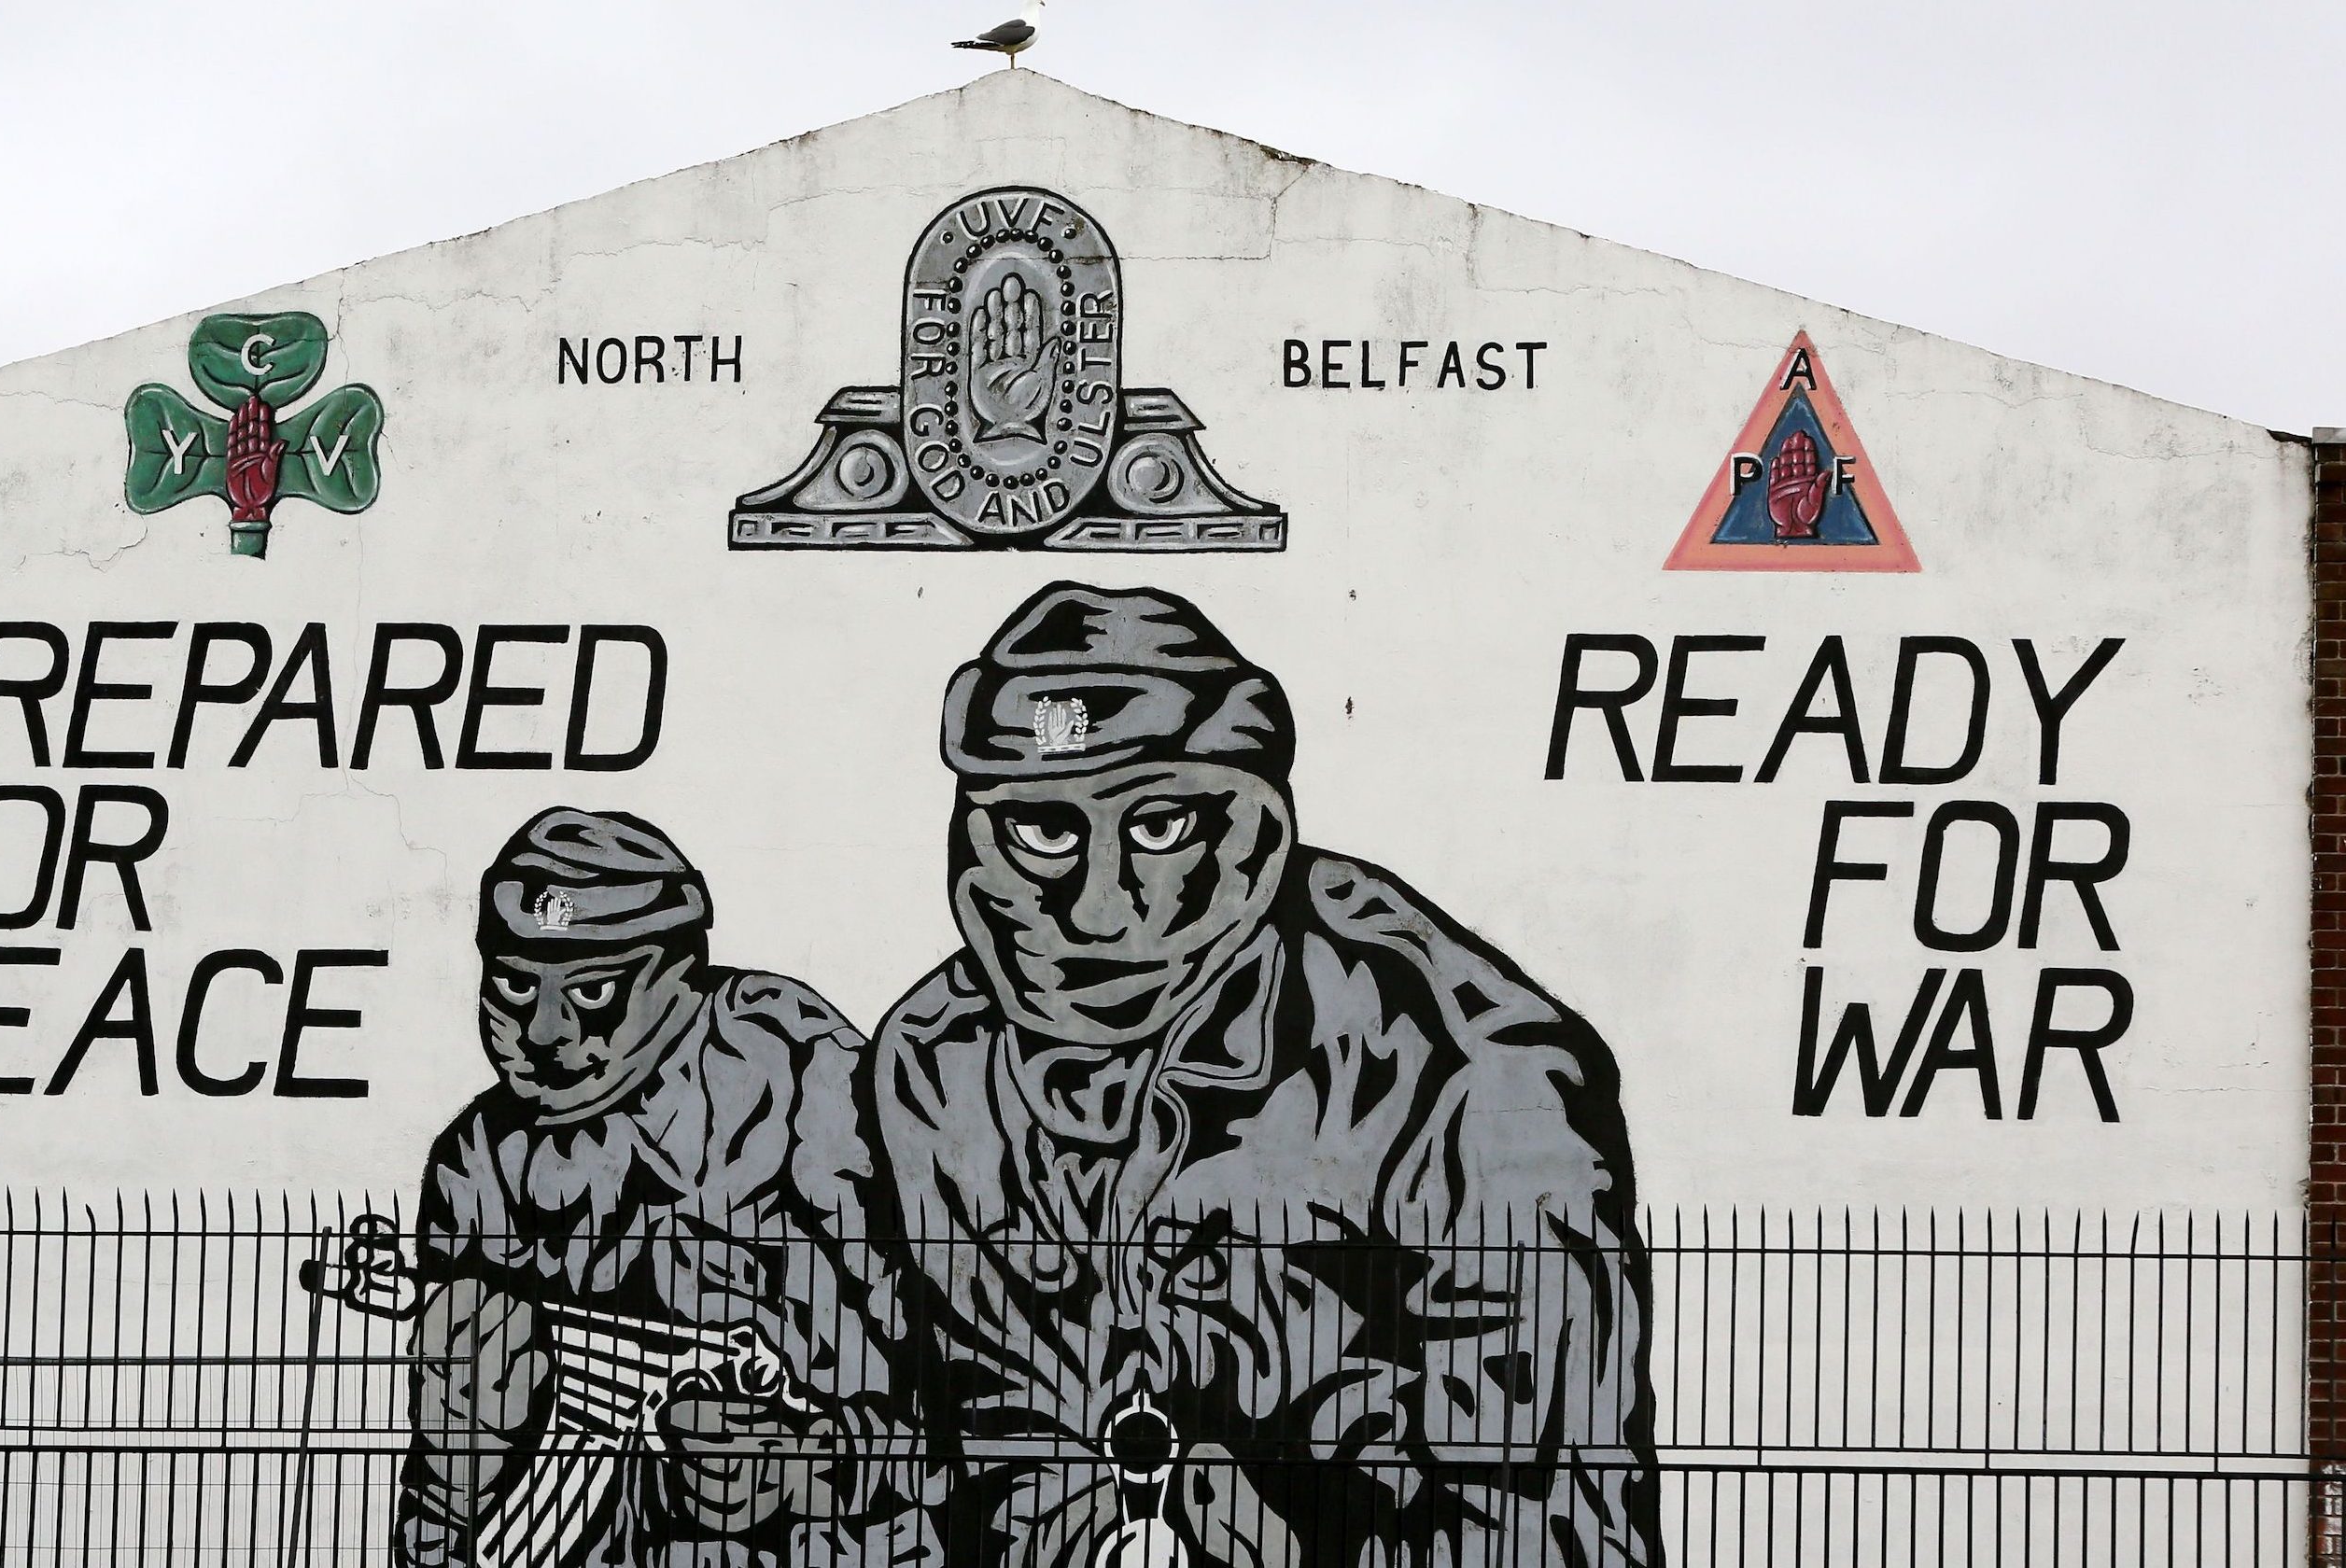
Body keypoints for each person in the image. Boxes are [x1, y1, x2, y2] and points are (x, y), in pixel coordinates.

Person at [867, 583, 1663, 1568]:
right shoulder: (938, 1062)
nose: (1101, 912)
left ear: (1248, 833)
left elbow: (1540, 1515)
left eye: (1160, 827)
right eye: (1043, 833)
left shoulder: (1470, 1073)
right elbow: (992, 1447)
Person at [396, 806, 924, 1568]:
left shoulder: (791, 1067)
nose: (542, 1033)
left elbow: (931, 1359)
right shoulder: (478, 1156)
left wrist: (813, 1460)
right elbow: (447, 1468)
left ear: (679, 971)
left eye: (593, 993)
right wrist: (457, 1482)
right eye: (513, 985)